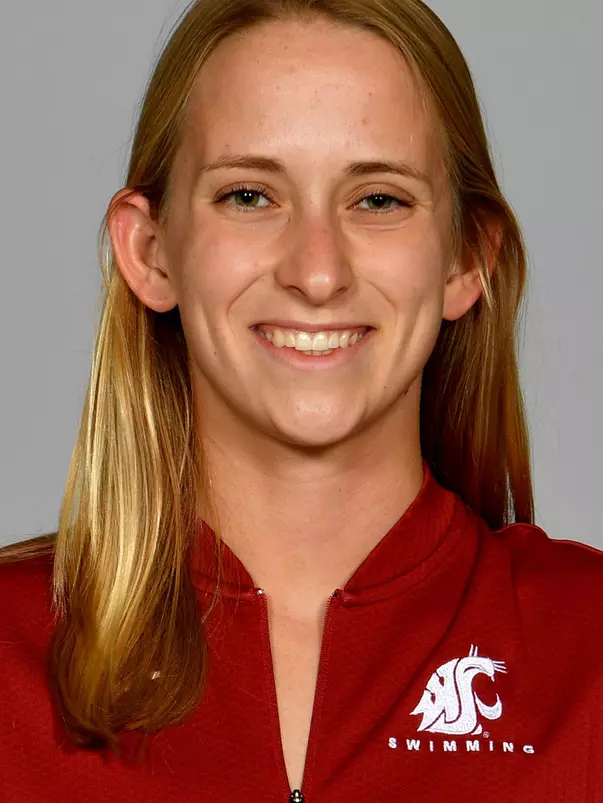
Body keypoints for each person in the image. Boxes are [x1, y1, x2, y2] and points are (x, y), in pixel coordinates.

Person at [1, 0, 602, 800]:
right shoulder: (7, 658)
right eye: (249, 196)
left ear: (465, 259)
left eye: (378, 200)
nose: (317, 273)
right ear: (150, 252)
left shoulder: (589, 650)